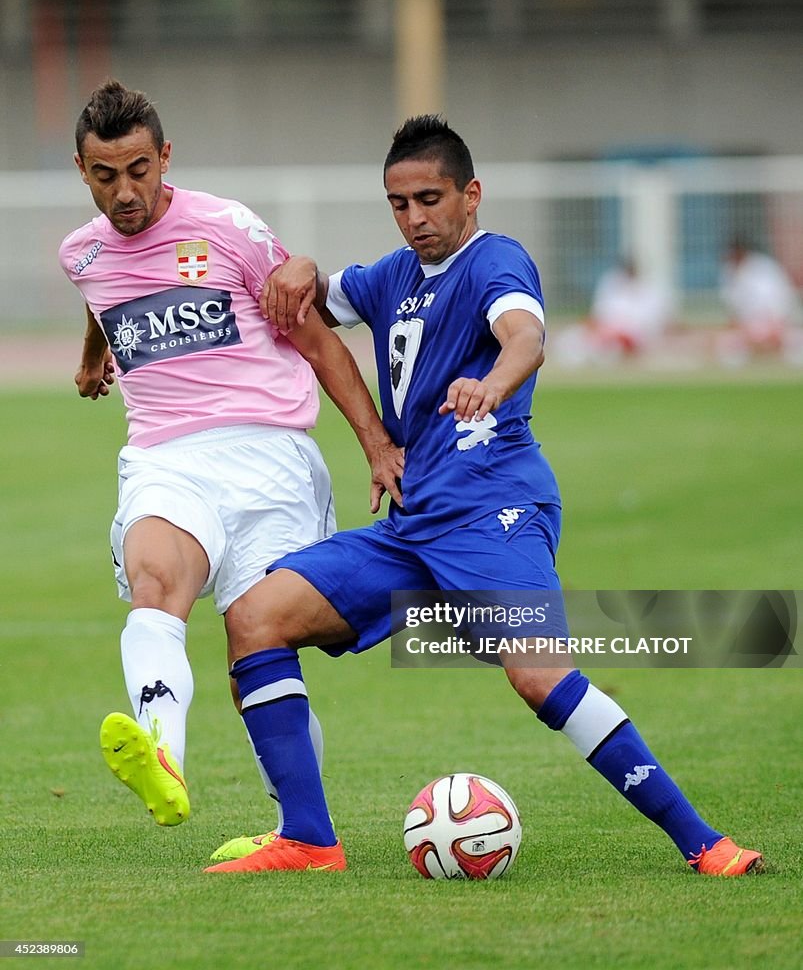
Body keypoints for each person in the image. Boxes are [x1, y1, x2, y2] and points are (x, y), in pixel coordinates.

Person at [204, 115, 763, 876]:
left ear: (470, 194)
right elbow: (314, 300)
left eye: (429, 199)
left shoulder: (495, 260)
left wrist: (490, 386)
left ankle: (705, 844)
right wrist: (300, 264)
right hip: (411, 525)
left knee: (538, 674)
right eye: (399, 204)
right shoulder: (391, 276)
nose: (415, 218)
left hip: (493, 508)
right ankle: (308, 840)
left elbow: (525, 337)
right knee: (255, 619)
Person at [58, 80, 403, 834]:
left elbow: (316, 341)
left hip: (269, 457)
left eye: (139, 170)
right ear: (82, 171)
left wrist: (377, 446)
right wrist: (94, 358)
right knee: (157, 581)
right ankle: (163, 752)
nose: (125, 192)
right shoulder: (80, 252)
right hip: (164, 457)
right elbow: (103, 290)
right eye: (105, 176)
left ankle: (298, 829)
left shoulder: (226, 228)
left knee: (257, 645)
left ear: (164, 157)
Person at [553, 258, 672, 367]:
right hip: (607, 331)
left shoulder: (648, 290)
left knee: (611, 347)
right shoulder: (612, 284)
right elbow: (600, 313)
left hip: (632, 336)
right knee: (573, 337)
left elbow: (648, 323)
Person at [717, 238, 800, 363]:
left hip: (773, 320)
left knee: (792, 344)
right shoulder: (729, 271)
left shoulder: (763, 268)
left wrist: (774, 324)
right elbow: (733, 306)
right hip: (748, 324)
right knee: (728, 344)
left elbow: (777, 301)